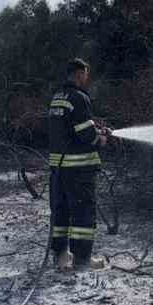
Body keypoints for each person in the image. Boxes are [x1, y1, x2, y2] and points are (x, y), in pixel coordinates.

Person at [47, 57, 112, 272]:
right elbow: (85, 134)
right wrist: (100, 139)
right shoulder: (79, 97)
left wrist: (95, 129)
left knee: (60, 212)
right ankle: (83, 260)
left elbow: (68, 129)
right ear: (78, 74)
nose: (87, 78)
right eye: (85, 74)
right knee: (83, 213)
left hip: (58, 169)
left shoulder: (58, 97)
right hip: (79, 169)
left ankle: (61, 257)